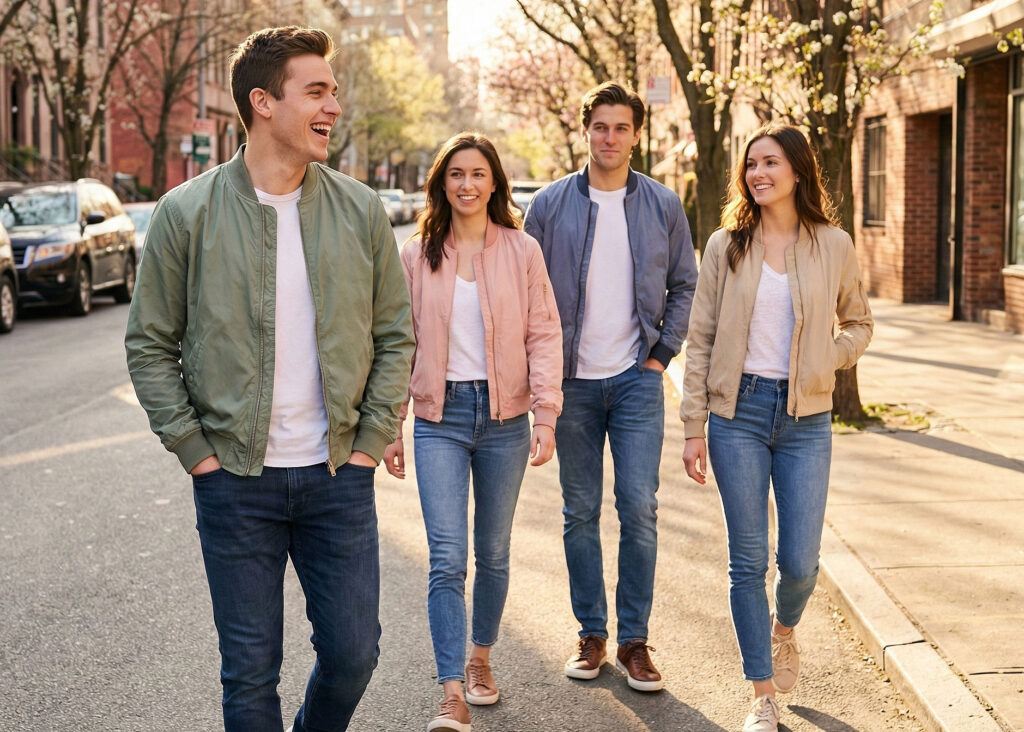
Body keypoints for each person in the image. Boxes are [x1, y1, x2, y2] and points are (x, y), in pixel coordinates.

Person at [124, 27, 414, 732]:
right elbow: (150, 345)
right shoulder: (185, 212)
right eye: (316, 92)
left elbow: (394, 336)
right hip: (234, 483)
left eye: (333, 92)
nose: (334, 107)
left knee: (354, 655)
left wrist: (370, 441)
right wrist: (196, 452)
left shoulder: (360, 210)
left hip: (337, 476)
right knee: (250, 672)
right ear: (262, 102)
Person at [680, 122, 873, 732]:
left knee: (801, 563)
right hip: (736, 415)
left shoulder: (833, 244)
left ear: (796, 170)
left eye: (770, 162)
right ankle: (761, 693)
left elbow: (860, 324)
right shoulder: (725, 246)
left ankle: (783, 628)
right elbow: (700, 338)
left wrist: (826, 358)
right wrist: (692, 425)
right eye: (751, 164)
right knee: (747, 560)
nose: (758, 173)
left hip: (805, 418)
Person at [382, 132, 563, 732]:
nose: (467, 184)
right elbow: (397, 343)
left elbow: (543, 332)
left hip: (505, 420)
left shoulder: (522, 250)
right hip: (440, 420)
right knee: (446, 557)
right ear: (442, 183)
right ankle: (451, 690)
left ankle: (480, 658)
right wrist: (391, 423)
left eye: (478, 174)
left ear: (494, 183)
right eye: (456, 174)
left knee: (494, 551)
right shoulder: (416, 255)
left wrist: (546, 413)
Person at [524, 82, 698, 692]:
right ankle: (592, 634)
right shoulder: (548, 205)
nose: (610, 137)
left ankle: (635, 642)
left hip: (635, 382)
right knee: (579, 510)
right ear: (586, 130)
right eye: (600, 126)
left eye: (622, 127)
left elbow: (685, 284)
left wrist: (661, 356)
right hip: (571, 384)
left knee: (639, 508)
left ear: (636, 135)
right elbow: (527, 291)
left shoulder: (662, 204)